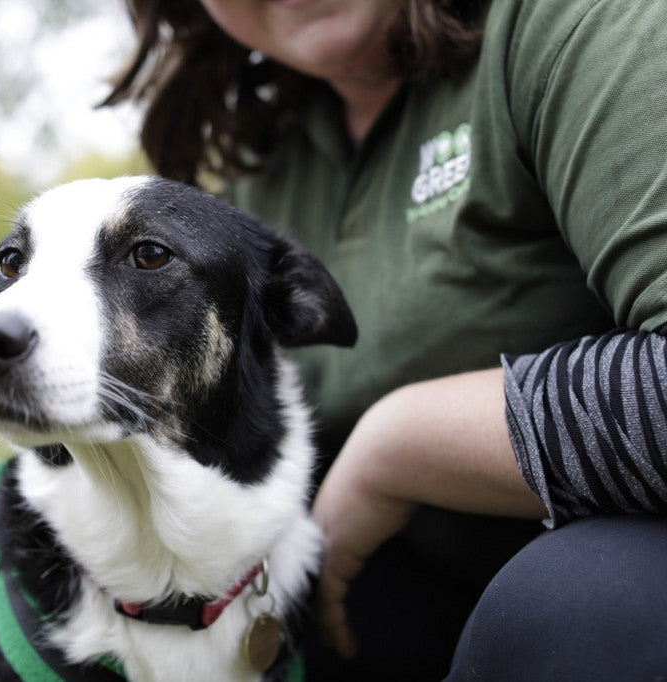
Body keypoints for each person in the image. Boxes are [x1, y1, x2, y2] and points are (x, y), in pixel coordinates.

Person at [101, 0, 667, 679]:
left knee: (575, 607)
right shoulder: (261, 169)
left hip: (597, 603)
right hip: (415, 596)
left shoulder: (577, 24)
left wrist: (399, 446)